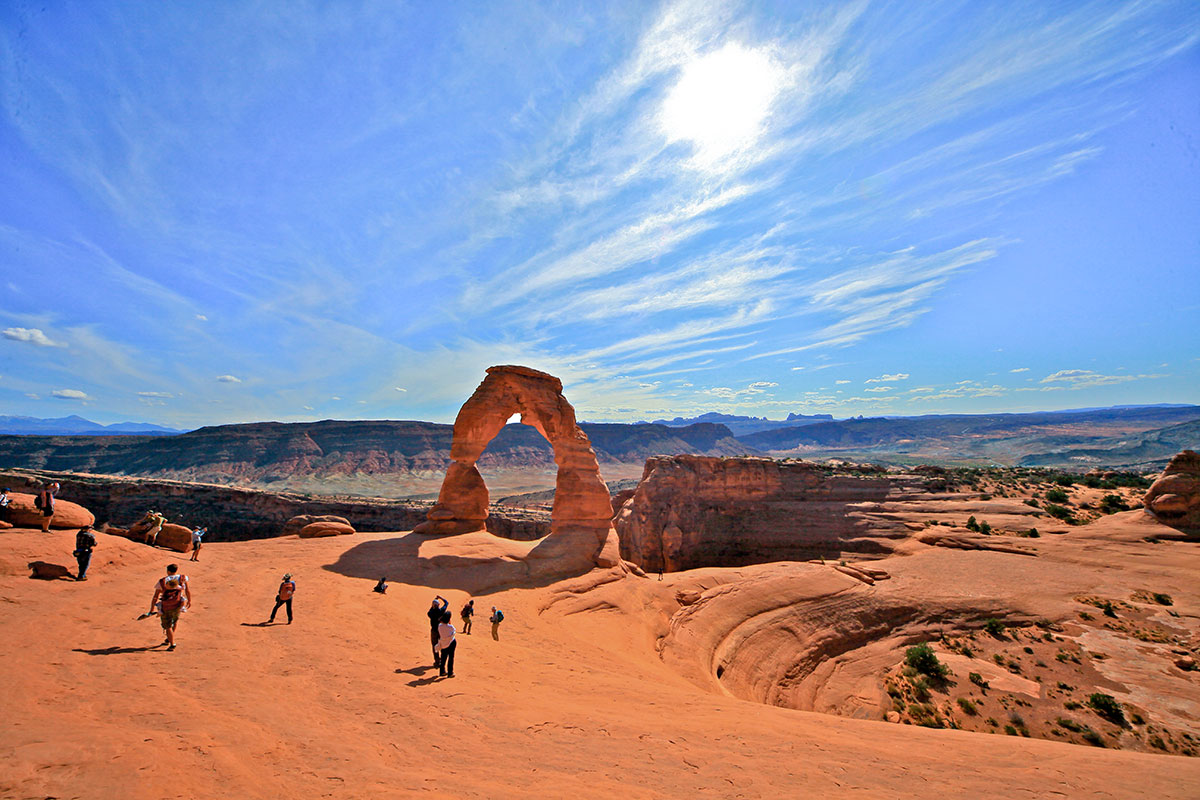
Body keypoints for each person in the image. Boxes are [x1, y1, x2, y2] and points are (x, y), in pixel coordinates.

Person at [150, 563, 191, 651]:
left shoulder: (163, 581)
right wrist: (189, 600)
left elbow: (156, 596)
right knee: (174, 620)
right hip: (178, 604)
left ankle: (172, 644)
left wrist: (151, 609)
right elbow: (187, 590)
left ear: (168, 571)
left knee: (167, 625)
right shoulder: (182, 578)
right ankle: (169, 638)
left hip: (166, 606)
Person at [427, 595, 449, 667]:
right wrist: (440, 598)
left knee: (435, 645)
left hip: (434, 631)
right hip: (441, 630)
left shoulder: (430, 613)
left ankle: (437, 662)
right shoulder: (441, 611)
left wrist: (433, 604)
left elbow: (430, 611)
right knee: (443, 645)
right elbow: (446, 603)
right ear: (439, 605)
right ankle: (442, 660)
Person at [437, 611, 457, 678]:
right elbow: (453, 632)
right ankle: (450, 673)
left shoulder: (440, 626)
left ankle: (442, 671)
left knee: (443, 657)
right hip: (451, 643)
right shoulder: (450, 627)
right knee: (451, 657)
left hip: (443, 643)